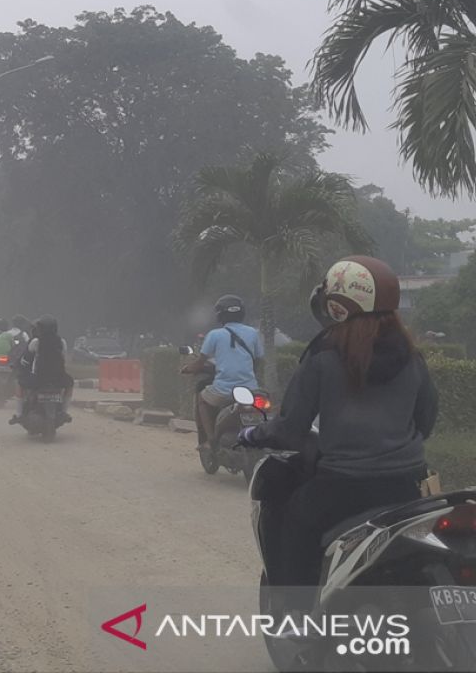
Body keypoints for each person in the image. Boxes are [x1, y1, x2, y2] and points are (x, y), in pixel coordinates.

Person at [238, 256, 437, 608]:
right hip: (408, 485)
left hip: (344, 486)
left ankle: (295, 615)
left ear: (336, 306)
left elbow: (291, 428)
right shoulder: (412, 357)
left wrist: (255, 435)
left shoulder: (323, 356)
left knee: (292, 522)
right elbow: (426, 422)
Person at [180, 294, 262, 452]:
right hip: (250, 389)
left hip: (224, 390)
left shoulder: (215, 335)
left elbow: (199, 363)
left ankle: (211, 441)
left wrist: (187, 369)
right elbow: (257, 360)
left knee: (202, 399)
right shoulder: (253, 333)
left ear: (220, 315)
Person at [17, 316, 74, 413]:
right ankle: (65, 411)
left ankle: (19, 413)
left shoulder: (36, 342)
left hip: (38, 378)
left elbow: (26, 359)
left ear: (40, 329)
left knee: (20, 384)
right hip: (58, 378)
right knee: (70, 385)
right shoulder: (62, 342)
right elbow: (64, 358)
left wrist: (21, 367)